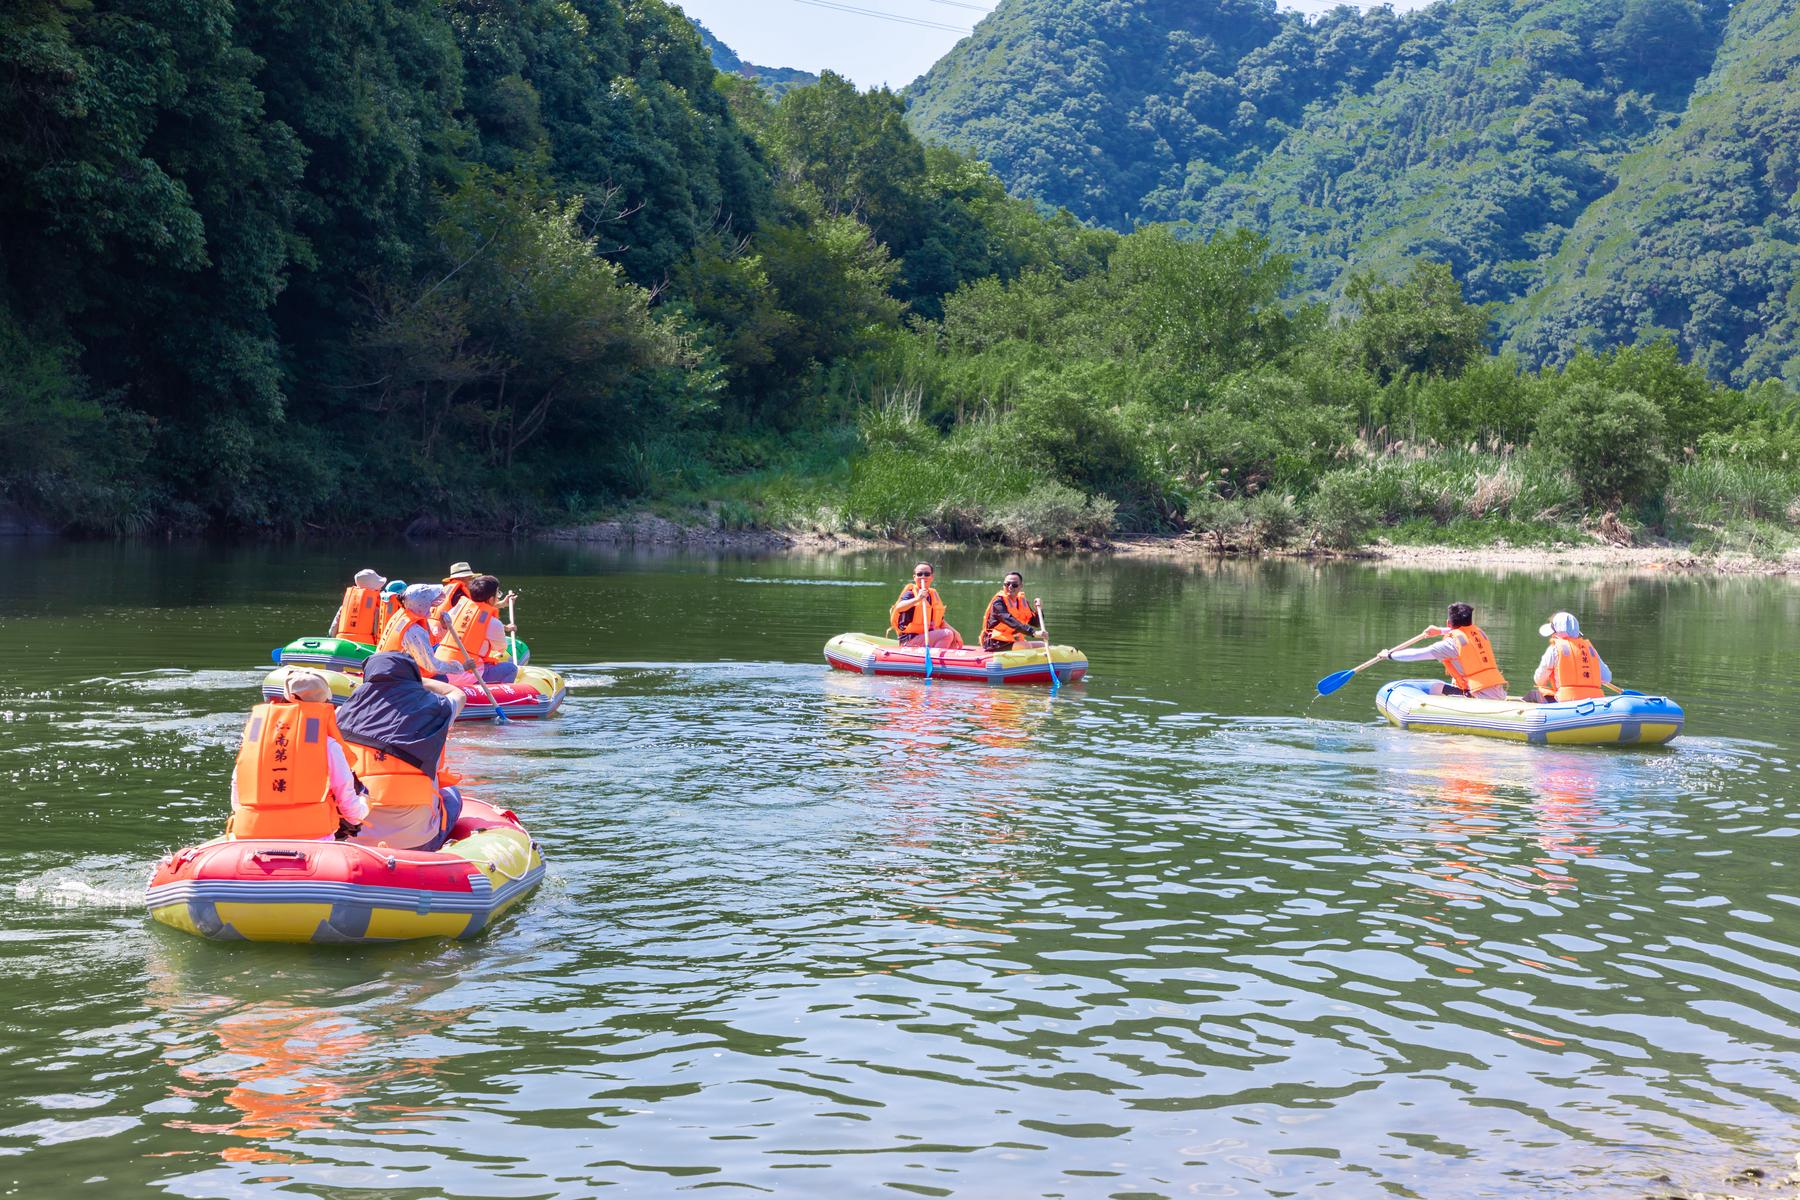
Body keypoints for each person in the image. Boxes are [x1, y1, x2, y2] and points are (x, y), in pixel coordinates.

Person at [335, 651, 467, 852]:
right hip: (416, 843)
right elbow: (458, 695)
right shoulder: (437, 708)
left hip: (352, 839)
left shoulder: (339, 715)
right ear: (412, 677)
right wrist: (419, 682)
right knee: (451, 794)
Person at [227, 670, 369, 841]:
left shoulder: (255, 740)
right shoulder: (328, 745)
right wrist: (365, 804)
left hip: (253, 835)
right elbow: (350, 809)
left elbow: (238, 786)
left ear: (285, 700)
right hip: (312, 840)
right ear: (325, 702)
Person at [1379, 602, 1508, 700]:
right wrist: (1439, 631)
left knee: (1435, 688)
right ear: (1470, 621)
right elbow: (1463, 631)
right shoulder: (1480, 633)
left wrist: (1389, 655)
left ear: (1448, 623)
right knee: (1441, 685)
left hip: (1478, 695)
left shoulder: (1450, 645)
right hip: (1498, 692)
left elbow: (1416, 654)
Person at [436, 574, 519, 684]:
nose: (498, 597)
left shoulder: (456, 610)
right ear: (491, 599)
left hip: (440, 668)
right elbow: (500, 648)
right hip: (463, 674)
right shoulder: (494, 623)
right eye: (497, 593)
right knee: (511, 669)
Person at [376, 584, 464, 680]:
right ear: (424, 604)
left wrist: (444, 627)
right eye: (430, 603)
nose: (432, 606)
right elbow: (432, 667)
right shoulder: (414, 629)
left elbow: (431, 643)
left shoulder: (403, 613)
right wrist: (461, 668)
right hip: (395, 678)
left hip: (384, 669)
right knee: (443, 678)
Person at [1528, 611, 1612, 702]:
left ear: (1555, 632)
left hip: (1566, 700)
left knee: (1533, 694)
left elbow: (1539, 680)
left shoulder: (1554, 649)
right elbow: (1607, 678)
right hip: (1595, 701)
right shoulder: (1591, 650)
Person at [890, 562, 962, 649]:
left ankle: (941, 657)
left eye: (927, 574)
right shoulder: (910, 594)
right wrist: (917, 599)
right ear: (914, 577)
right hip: (910, 640)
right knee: (947, 634)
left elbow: (940, 622)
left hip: (927, 637)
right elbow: (899, 607)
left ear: (932, 577)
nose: (923, 577)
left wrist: (956, 633)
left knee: (952, 637)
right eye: (919, 574)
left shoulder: (933, 595)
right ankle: (936, 659)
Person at [980, 571, 1045, 652]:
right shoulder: (998, 603)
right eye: (1007, 584)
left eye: (1014, 585)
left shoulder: (1022, 601)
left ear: (1021, 586)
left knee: (1044, 645)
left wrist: (1039, 610)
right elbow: (1010, 620)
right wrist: (1033, 633)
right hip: (995, 642)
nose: (1010, 587)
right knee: (1026, 646)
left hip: (1014, 641)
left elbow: (1036, 623)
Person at [327, 568, 387, 647]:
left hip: (342, 642)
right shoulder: (375, 609)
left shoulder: (345, 607)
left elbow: (333, 629)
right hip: (364, 646)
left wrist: (331, 638)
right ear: (374, 589)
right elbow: (376, 632)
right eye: (379, 587)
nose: (380, 589)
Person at [431, 562, 478, 637]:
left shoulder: (446, 588)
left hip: (432, 629)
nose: (472, 581)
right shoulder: (460, 593)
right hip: (444, 633)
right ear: (462, 578)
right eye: (470, 578)